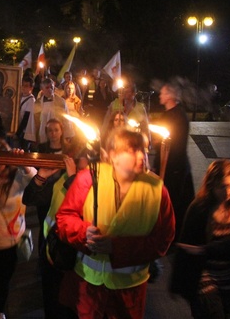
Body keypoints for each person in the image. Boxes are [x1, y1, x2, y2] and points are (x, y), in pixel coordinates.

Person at [55, 128, 175, 318]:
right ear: (112, 156)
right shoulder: (89, 178)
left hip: (129, 293)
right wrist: (83, 233)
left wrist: (116, 247)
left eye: (143, 149)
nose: (142, 155)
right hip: (88, 287)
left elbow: (163, 240)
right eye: (132, 150)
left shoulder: (157, 190)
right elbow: (64, 217)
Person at [171, 159, 230, 318]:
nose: (228, 192)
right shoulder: (199, 209)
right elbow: (184, 247)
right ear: (211, 185)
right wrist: (176, 283)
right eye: (222, 186)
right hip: (204, 275)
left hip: (228, 275)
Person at [22, 119, 77, 319]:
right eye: (50, 130)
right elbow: (29, 198)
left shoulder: (79, 182)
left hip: (71, 249)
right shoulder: (57, 183)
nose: (53, 133)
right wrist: (41, 176)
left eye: (57, 130)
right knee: (52, 295)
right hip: (53, 241)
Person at [0, 140, 36, 319]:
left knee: (2, 280)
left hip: (9, 241)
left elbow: (35, 178)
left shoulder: (17, 177)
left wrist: (23, 163)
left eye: (2, 161)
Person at [154, 81, 193, 242]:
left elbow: (176, 145)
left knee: (173, 202)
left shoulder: (177, 116)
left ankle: (172, 236)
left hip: (174, 168)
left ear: (170, 96)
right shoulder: (169, 114)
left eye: (163, 93)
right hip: (169, 165)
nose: (160, 96)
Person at [102, 81, 150, 146]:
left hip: (133, 140)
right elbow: (106, 122)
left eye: (128, 92)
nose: (126, 94)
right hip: (116, 139)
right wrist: (103, 138)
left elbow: (145, 126)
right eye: (124, 91)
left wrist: (148, 141)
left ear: (134, 93)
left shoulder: (140, 107)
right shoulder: (114, 104)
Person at [35, 78, 73, 144]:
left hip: (57, 135)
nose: (50, 90)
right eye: (47, 87)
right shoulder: (37, 103)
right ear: (42, 90)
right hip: (42, 134)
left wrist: (68, 135)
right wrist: (33, 137)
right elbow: (34, 122)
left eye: (51, 87)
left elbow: (66, 119)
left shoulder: (61, 102)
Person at [16, 76, 37, 152]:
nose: (23, 88)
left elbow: (26, 118)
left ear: (31, 88)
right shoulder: (20, 97)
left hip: (24, 132)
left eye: (26, 86)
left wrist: (18, 132)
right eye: (23, 85)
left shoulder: (31, 100)